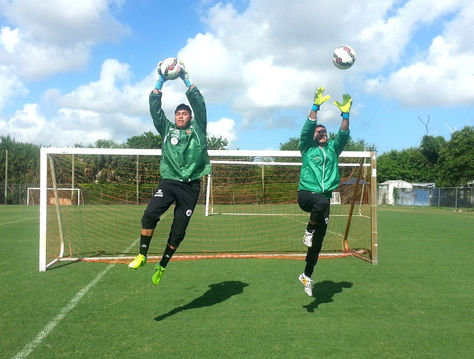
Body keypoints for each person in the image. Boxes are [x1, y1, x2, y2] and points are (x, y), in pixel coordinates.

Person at [128, 60, 211, 286]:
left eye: (185, 114)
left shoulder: (198, 130)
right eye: (178, 114)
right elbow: (155, 109)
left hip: (191, 187)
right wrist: (160, 81)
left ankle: (162, 265)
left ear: (191, 117)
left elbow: (200, 103)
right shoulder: (167, 129)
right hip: (169, 183)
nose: (181, 116)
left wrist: (185, 78)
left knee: (178, 232)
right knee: (149, 215)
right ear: (175, 117)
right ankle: (142, 255)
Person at [297, 87, 352, 296]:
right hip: (306, 195)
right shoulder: (307, 148)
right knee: (320, 203)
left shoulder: (332, 150)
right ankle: (308, 230)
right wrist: (315, 107)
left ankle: (306, 275)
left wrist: (345, 114)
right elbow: (307, 129)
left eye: (324, 131)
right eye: (318, 132)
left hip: (323, 200)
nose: (323, 133)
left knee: (318, 243)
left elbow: (344, 135)